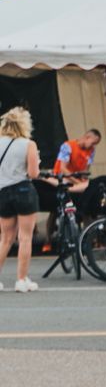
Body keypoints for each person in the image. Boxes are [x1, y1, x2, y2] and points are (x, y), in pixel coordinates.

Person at [0, 107, 41, 293]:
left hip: (3, 192)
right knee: (25, 238)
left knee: (5, 239)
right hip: (23, 190)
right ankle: (21, 280)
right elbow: (33, 173)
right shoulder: (28, 144)